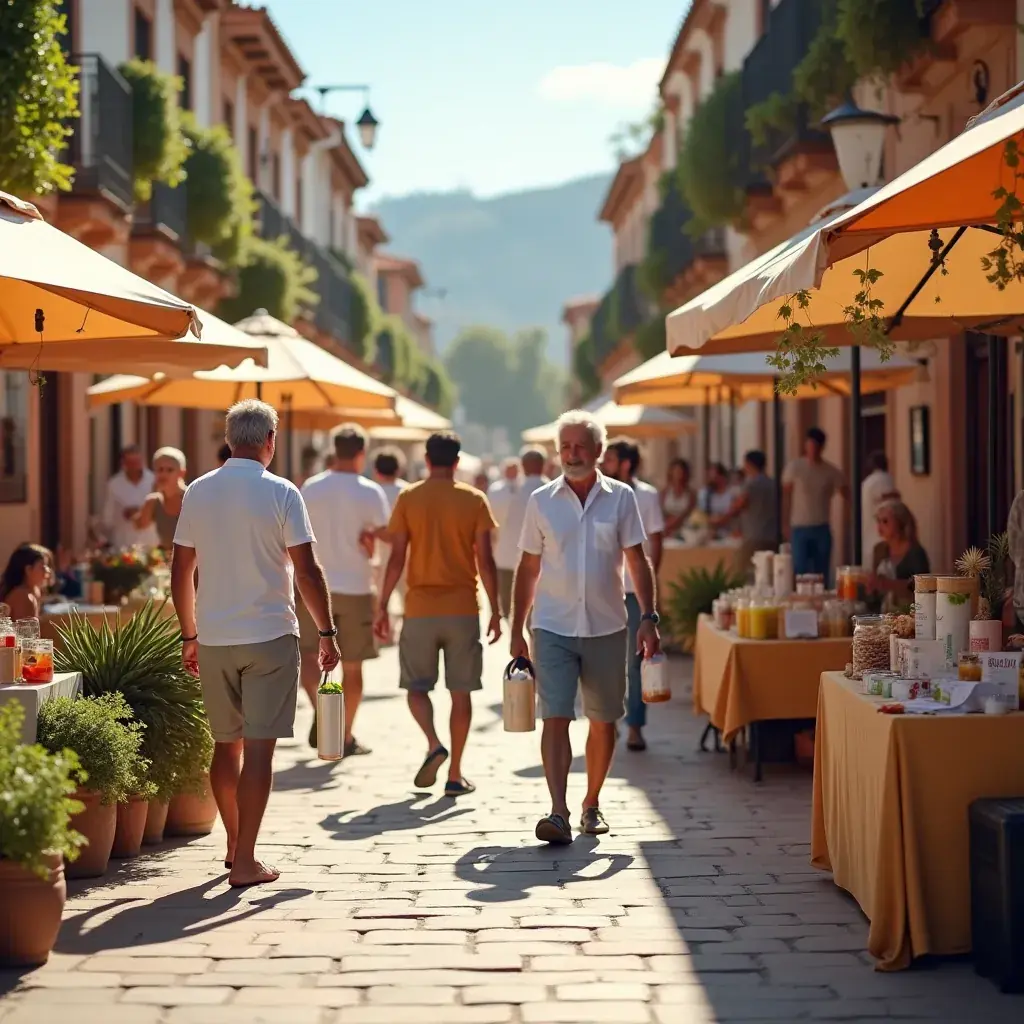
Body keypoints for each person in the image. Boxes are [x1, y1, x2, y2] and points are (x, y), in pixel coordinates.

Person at [171, 399, 339, 888]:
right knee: (259, 752)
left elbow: (181, 569)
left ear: (229, 439)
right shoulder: (283, 492)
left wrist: (189, 634)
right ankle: (245, 860)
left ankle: (232, 843)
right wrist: (326, 632)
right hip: (269, 636)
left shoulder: (199, 491)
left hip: (216, 636)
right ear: (271, 440)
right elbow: (306, 571)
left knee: (226, 747)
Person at [510, 411, 660, 844]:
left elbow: (637, 560)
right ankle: (557, 811)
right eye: (565, 447)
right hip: (552, 625)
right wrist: (517, 626)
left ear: (599, 451)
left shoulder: (622, 498)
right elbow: (527, 566)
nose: (572, 454)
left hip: (608, 625)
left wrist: (648, 618)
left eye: (580, 446)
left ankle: (590, 803)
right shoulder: (540, 500)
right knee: (554, 717)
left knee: (604, 720)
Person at [374, 431, 501, 798]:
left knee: (416, 688)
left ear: (427, 460)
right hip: (462, 609)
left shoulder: (409, 497)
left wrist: (382, 604)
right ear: (457, 462)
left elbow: (397, 556)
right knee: (461, 694)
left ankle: (433, 743)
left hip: (419, 610)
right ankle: (456, 774)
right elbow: (486, 561)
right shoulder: (474, 500)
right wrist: (497, 610)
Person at [299, 425, 390, 756]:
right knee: (353, 665)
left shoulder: (310, 487)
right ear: (362, 454)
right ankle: (345, 735)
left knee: (309, 654)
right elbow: (386, 535)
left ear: (334, 450)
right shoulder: (369, 491)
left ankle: (321, 710)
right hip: (355, 585)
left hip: (312, 583)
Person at [601, 438, 664, 754]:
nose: (604, 464)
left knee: (636, 662)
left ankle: (635, 727)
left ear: (625, 463)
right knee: (607, 660)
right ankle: (608, 719)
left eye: (610, 459)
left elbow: (656, 542)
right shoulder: (600, 495)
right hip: (605, 591)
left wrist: (650, 596)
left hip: (634, 592)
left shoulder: (647, 496)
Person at [782, 427, 849, 580]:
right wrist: (785, 524)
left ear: (822, 447)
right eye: (810, 445)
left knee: (821, 572)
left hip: (821, 527)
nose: (812, 449)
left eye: (816, 446)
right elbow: (786, 496)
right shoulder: (795, 468)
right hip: (799, 527)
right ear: (806, 445)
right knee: (800, 570)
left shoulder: (830, 471)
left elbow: (846, 492)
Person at [711, 451, 779, 573]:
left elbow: (738, 506)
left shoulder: (751, 485)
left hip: (754, 536)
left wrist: (718, 521)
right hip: (772, 536)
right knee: (768, 570)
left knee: (740, 569)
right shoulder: (773, 483)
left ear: (749, 464)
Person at [870, 500, 930, 608]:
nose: (880, 526)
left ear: (900, 522)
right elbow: (874, 588)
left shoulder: (916, 553)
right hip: (881, 612)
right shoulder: (879, 550)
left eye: (885, 521)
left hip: (908, 613)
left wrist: (887, 584)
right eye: (878, 521)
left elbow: (923, 589)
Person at [372, 447, 409, 614]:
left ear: (376, 470)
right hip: (408, 554)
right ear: (399, 469)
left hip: (379, 556)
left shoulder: (371, 492)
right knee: (408, 602)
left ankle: (382, 634)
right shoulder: (409, 491)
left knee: (379, 603)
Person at [102, 444, 158, 549]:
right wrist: (123, 514)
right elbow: (107, 518)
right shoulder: (114, 484)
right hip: (123, 544)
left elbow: (162, 512)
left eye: (137, 462)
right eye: (130, 463)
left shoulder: (154, 481)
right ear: (123, 463)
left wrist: (144, 511)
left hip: (150, 542)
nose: (134, 466)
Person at [134, 447, 187, 551]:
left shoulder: (191, 498)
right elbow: (140, 525)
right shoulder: (154, 501)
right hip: (167, 562)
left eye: (169, 470)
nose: (163, 474)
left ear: (181, 473)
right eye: (160, 469)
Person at [488, 458, 522, 620]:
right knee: (507, 588)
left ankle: (510, 616)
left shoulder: (496, 490)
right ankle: (510, 616)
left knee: (507, 587)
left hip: (508, 548)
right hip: (508, 548)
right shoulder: (498, 490)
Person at [861, 451, 899, 563]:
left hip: (868, 533)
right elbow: (891, 504)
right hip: (881, 535)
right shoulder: (884, 479)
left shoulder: (867, 482)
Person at [0, 544, 53, 619]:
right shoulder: (24, 596)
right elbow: (27, 630)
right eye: (42, 567)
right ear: (28, 570)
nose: (47, 571)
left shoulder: (33, 591)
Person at [661, 458, 696, 535]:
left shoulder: (691, 494)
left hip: (685, 528)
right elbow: (660, 511)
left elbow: (690, 512)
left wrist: (676, 521)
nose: (678, 474)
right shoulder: (665, 492)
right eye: (676, 471)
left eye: (681, 471)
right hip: (667, 528)